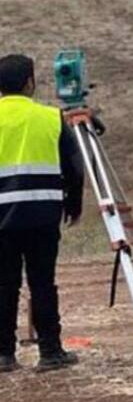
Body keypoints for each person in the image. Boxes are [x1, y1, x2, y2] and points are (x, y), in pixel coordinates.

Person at [0, 55, 83, 373]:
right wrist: (74, 204)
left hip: (2, 219)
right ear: (29, 83)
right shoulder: (51, 117)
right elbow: (74, 167)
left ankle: (4, 354)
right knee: (43, 283)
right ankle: (50, 352)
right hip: (42, 215)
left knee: (4, 285)